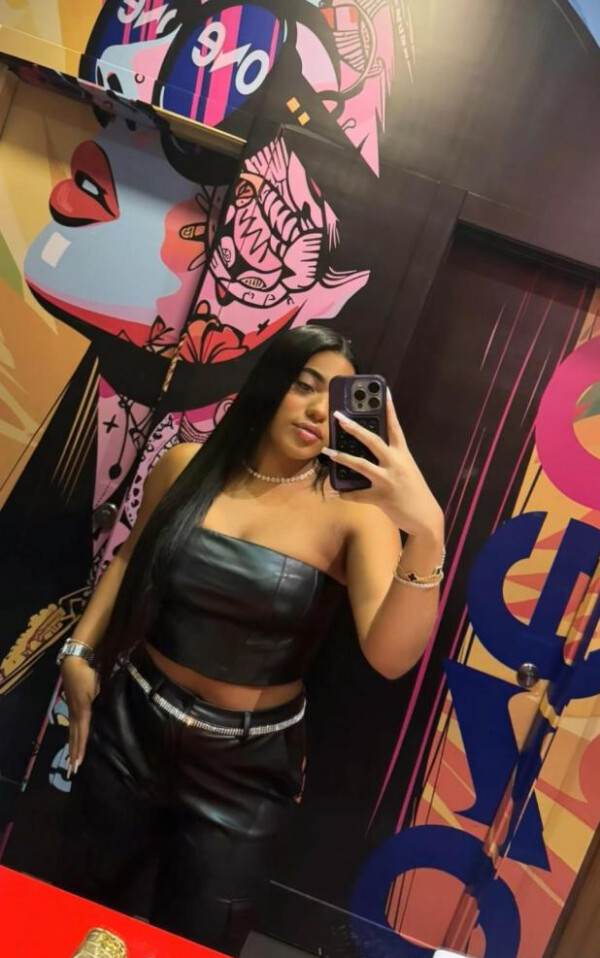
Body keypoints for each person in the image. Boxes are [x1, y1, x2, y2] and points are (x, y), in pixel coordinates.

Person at [57, 325, 444, 956]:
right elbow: (128, 559)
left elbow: (390, 656)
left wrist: (427, 531)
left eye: (333, 398)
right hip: (131, 725)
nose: (317, 410)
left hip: (244, 768)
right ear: (270, 383)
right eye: (303, 386)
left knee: (199, 940)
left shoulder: (356, 513)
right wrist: (79, 651)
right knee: (75, 911)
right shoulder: (186, 465)